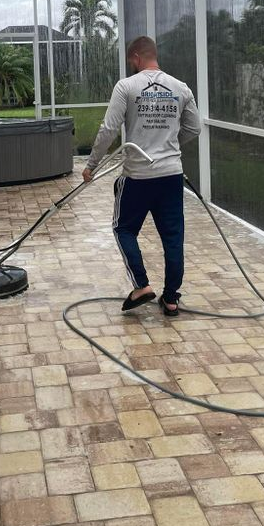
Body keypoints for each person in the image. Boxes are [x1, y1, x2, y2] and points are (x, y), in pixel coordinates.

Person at [83, 36, 201, 316]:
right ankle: (170, 299)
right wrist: (167, 147)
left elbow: (108, 129)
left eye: (131, 61)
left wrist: (91, 165)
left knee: (123, 229)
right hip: (171, 176)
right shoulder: (180, 87)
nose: (131, 65)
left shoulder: (127, 86)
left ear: (136, 57)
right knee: (173, 237)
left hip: (137, 176)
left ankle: (142, 286)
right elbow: (194, 128)